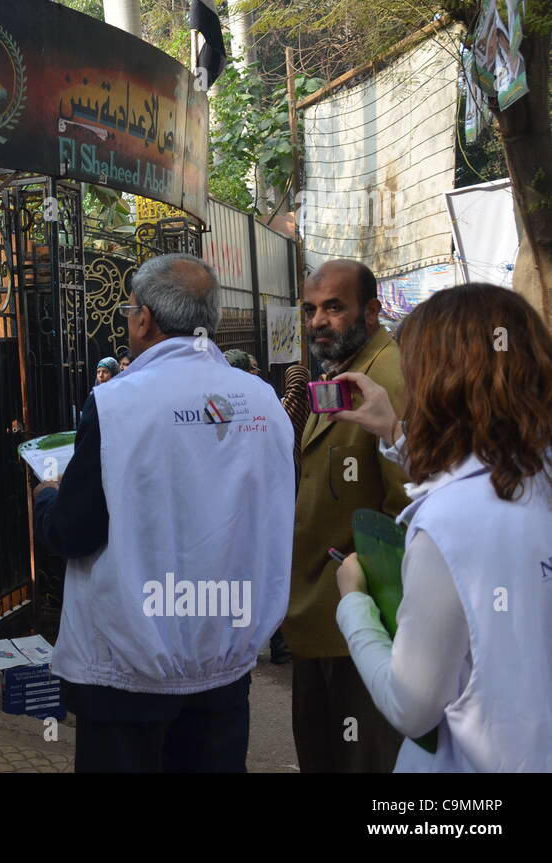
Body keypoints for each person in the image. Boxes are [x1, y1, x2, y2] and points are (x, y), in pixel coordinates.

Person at [33, 253, 294, 772]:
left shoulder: (115, 405)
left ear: (144, 318)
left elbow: (74, 531)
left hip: (127, 674)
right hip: (223, 666)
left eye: (129, 311)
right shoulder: (263, 403)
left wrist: (46, 496)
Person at [328, 283, 552, 772]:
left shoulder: (449, 523)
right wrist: (394, 433)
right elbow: (490, 477)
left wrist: (354, 606)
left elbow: (412, 705)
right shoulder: (538, 475)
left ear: (437, 382)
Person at [288, 258, 407, 772]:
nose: (318, 321)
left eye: (334, 307)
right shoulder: (341, 371)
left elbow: (405, 508)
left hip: (363, 626)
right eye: (311, 309)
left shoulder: (390, 378)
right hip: (323, 619)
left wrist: (360, 600)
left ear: (373, 310)